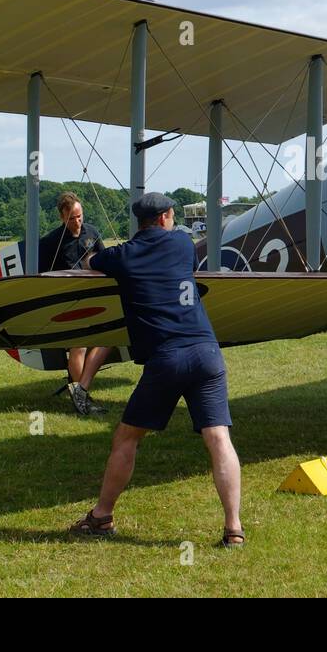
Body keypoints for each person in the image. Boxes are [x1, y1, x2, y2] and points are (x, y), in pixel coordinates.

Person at [69, 192, 244, 547]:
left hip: (167, 357)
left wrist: (91, 249)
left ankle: (102, 516)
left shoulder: (123, 256)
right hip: (207, 351)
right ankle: (234, 529)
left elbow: (92, 263)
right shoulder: (183, 244)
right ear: (166, 217)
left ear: (141, 221)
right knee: (218, 437)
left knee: (127, 438)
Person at [39, 192, 109, 415]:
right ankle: (81, 399)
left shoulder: (92, 232)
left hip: (94, 296)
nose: (77, 222)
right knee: (78, 346)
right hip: (69, 299)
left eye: (79, 216)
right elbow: (44, 275)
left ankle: (81, 386)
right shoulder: (52, 241)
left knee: (105, 340)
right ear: (62, 217)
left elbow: (105, 259)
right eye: (71, 218)